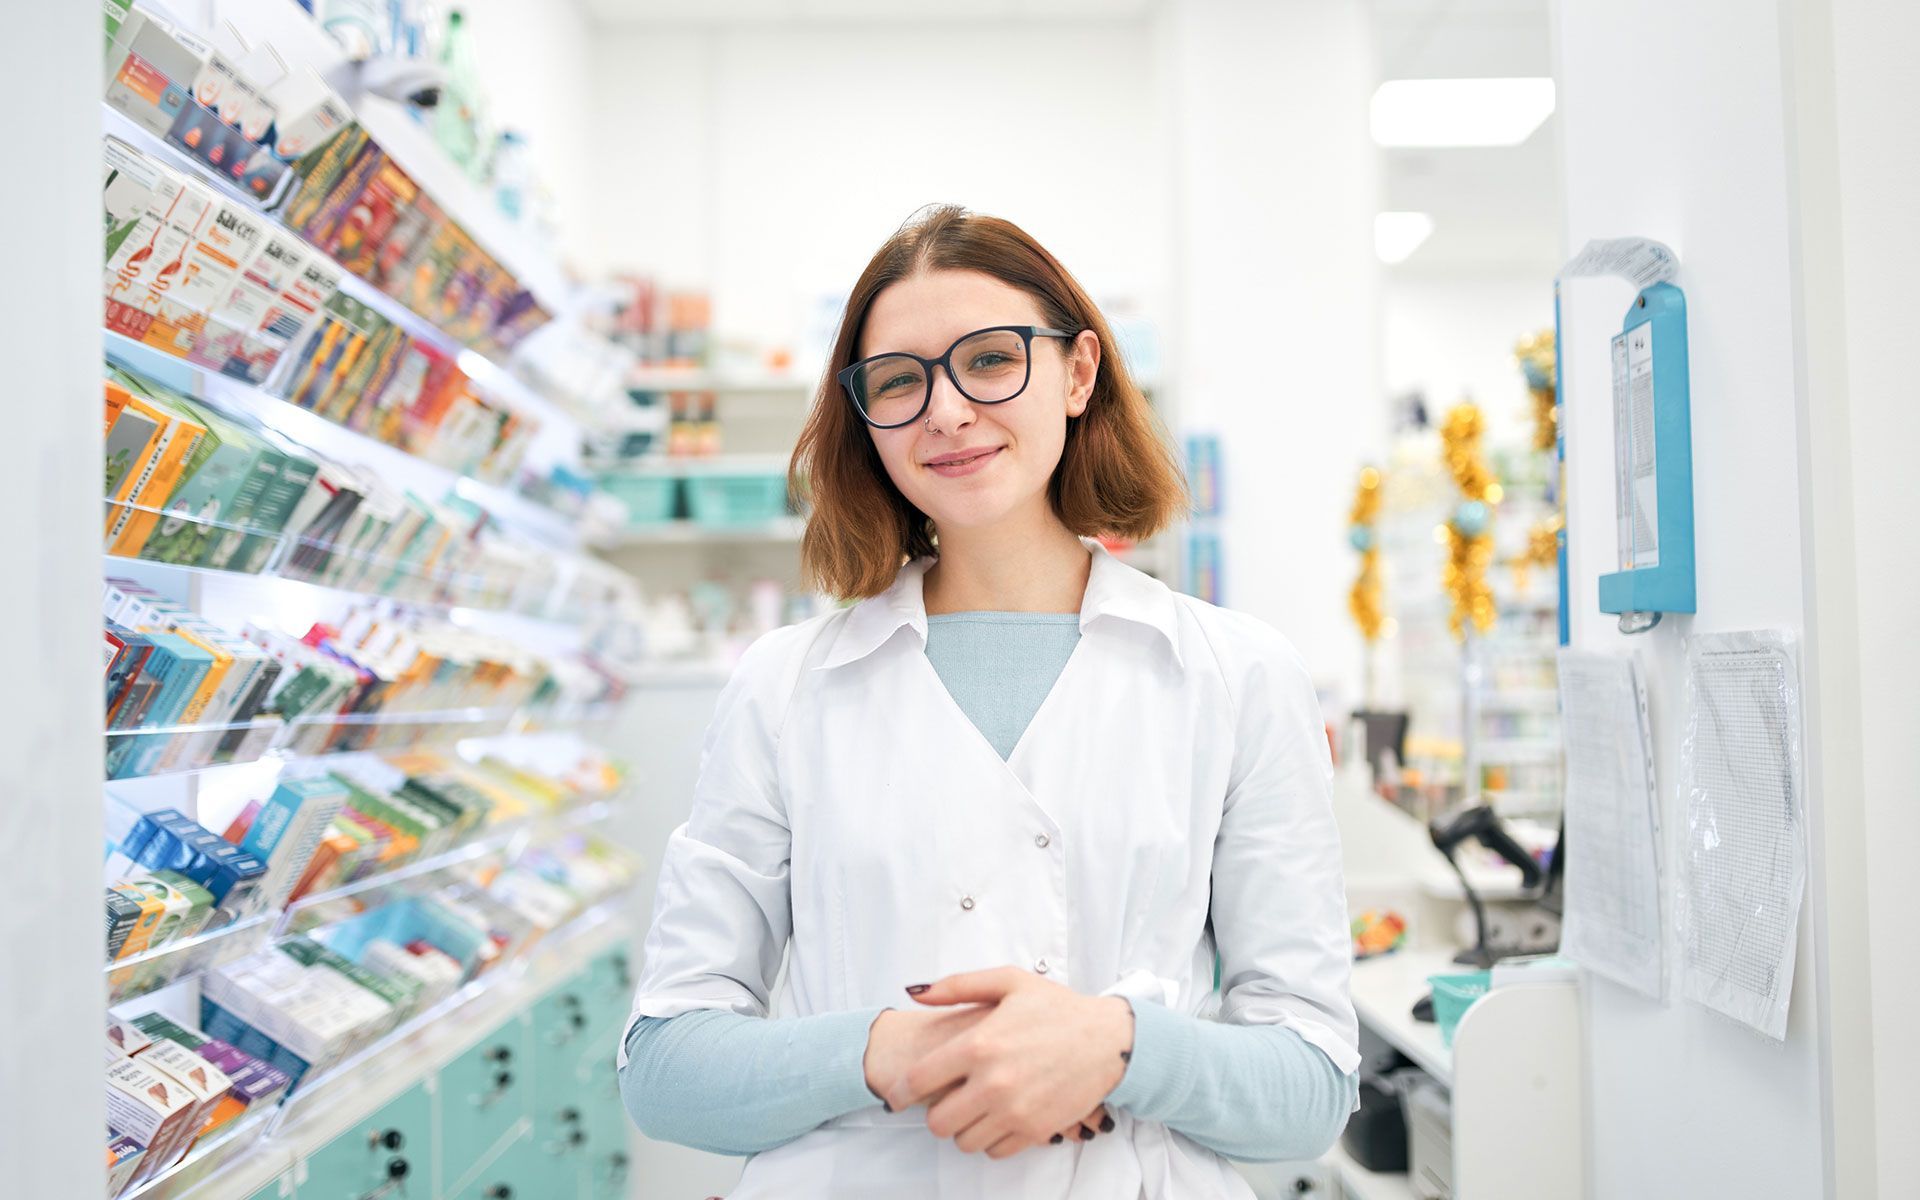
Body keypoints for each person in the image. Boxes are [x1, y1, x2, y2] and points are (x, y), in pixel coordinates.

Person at [618, 205, 1357, 1198]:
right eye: (898, 381)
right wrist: (887, 1052)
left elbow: (1312, 1088)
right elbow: (664, 1072)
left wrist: (1118, 1047)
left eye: (991, 360)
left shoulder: (1238, 673)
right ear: (865, 418)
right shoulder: (785, 684)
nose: (948, 412)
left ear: (1079, 372)